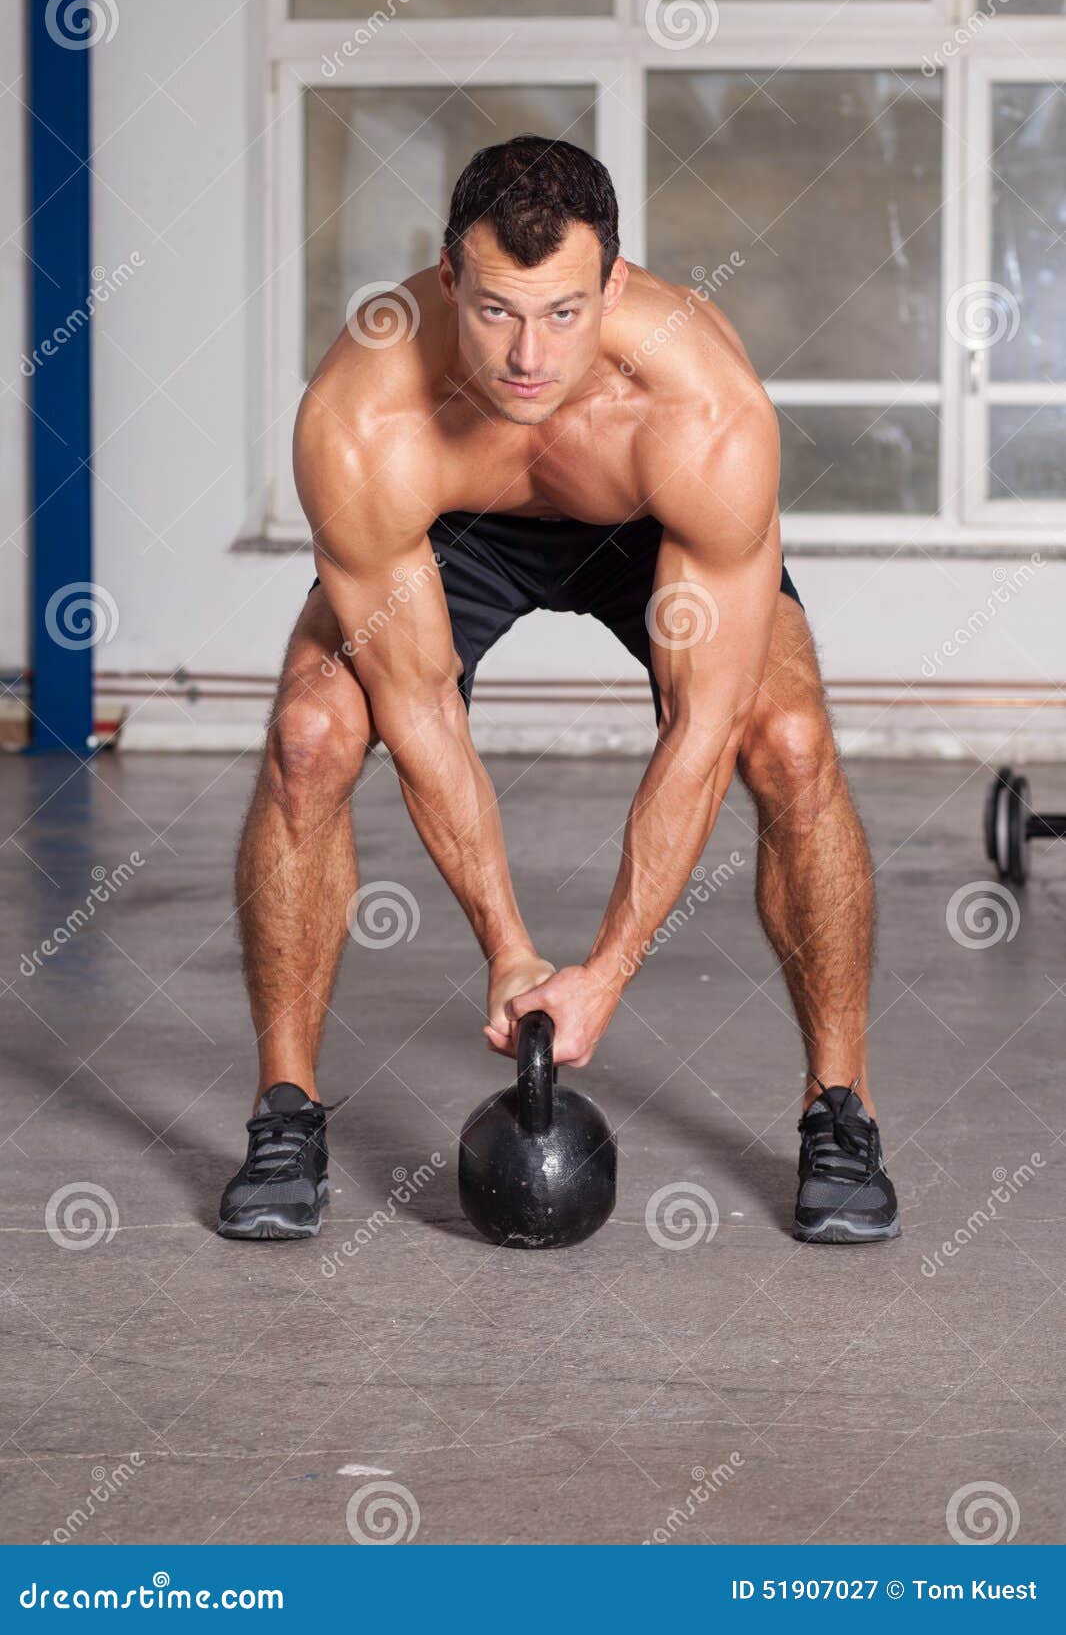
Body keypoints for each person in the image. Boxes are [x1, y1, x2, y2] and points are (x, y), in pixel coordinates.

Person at [218, 135, 898, 1247]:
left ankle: (840, 1109)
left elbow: (701, 728)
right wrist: (511, 948)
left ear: (614, 285)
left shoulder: (703, 411)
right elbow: (422, 707)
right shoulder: (363, 416)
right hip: (451, 524)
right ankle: (285, 1111)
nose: (529, 355)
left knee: (784, 741)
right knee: (311, 732)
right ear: (447, 278)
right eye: (495, 311)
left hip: (645, 518)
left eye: (565, 312)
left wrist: (606, 973)